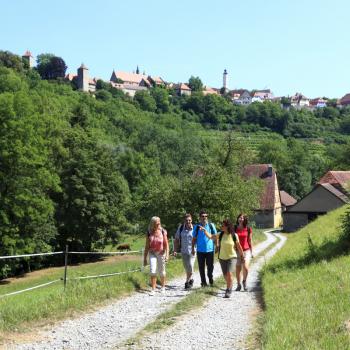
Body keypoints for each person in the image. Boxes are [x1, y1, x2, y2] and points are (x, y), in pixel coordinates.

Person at [217, 219, 244, 298]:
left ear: (227, 227)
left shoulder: (234, 235)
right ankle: (230, 285)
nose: (221, 226)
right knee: (225, 276)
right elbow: (211, 237)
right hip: (222, 258)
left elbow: (239, 246)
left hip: (232, 257)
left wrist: (242, 256)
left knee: (229, 273)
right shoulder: (220, 234)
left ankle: (228, 290)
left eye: (223, 225)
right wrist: (204, 231)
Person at [143, 216, 169, 295]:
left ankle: (163, 287)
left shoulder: (163, 231)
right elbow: (147, 246)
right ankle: (153, 289)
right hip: (152, 253)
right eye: (156, 223)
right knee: (153, 270)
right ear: (152, 224)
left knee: (161, 271)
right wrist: (145, 258)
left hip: (161, 252)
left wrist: (167, 255)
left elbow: (166, 244)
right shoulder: (149, 232)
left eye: (159, 223)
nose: (158, 224)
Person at [192, 210, 217, 287]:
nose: (204, 218)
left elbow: (215, 236)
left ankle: (210, 278)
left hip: (210, 250)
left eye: (206, 216)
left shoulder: (211, 225)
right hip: (200, 250)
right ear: (200, 217)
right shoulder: (196, 227)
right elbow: (194, 239)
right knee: (201, 267)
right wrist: (193, 248)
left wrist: (217, 246)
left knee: (210, 267)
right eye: (202, 216)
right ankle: (203, 283)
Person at [174, 213, 196, 290]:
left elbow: (197, 240)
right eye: (186, 220)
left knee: (190, 266)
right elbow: (176, 239)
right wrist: (175, 250)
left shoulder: (195, 229)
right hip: (183, 252)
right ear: (184, 220)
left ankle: (187, 282)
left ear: (191, 220)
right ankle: (191, 279)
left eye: (189, 220)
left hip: (192, 252)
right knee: (187, 268)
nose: (188, 221)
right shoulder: (180, 228)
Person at [234, 213, 253, 291]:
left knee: (245, 268)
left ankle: (244, 281)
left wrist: (252, 252)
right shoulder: (234, 228)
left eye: (242, 218)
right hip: (236, 251)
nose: (241, 219)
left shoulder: (248, 229)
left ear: (245, 219)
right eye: (239, 217)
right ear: (238, 219)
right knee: (238, 268)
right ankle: (238, 285)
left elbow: (250, 240)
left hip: (246, 250)